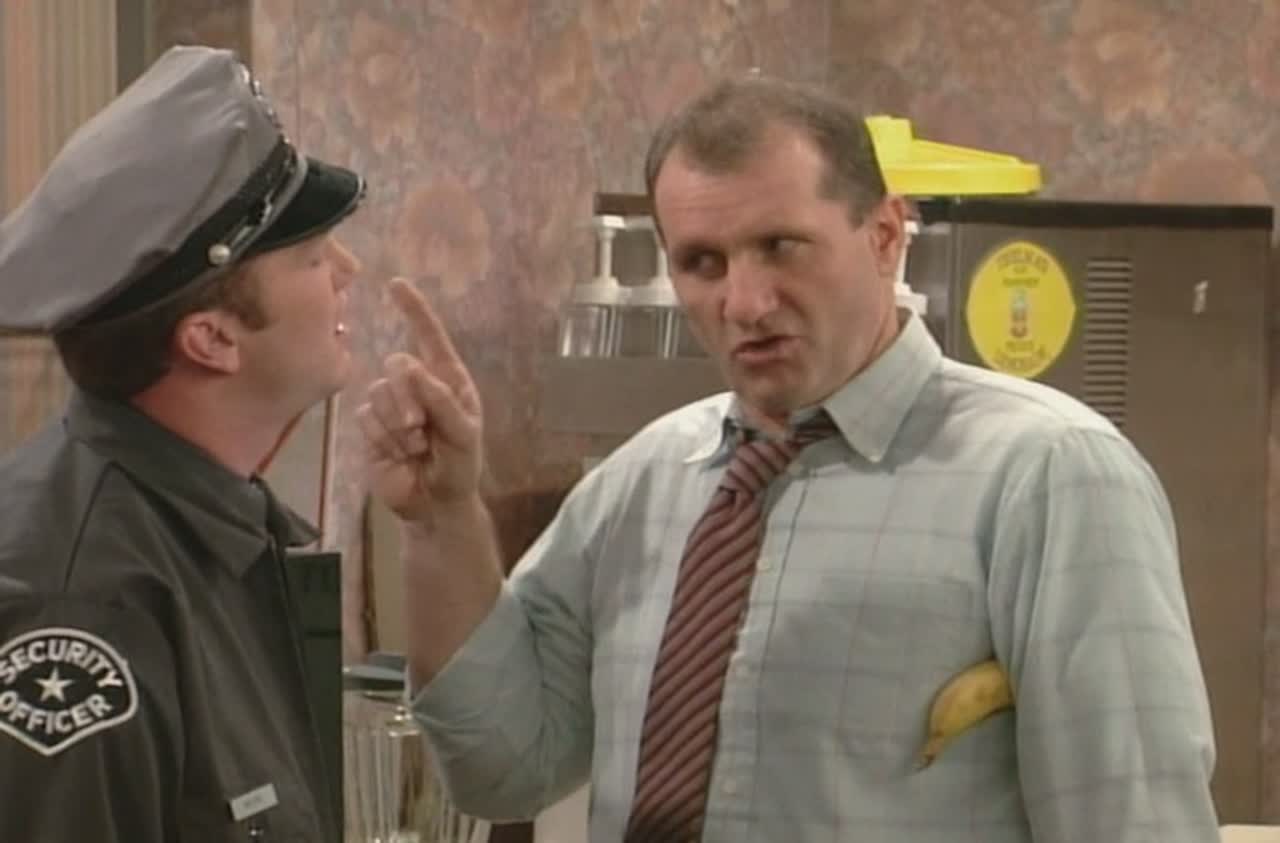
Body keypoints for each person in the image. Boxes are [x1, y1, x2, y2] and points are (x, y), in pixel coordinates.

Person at [359, 76, 1219, 841]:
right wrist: (441, 519)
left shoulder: (1047, 475)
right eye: (702, 263)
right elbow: (502, 768)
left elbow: (1131, 818)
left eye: (781, 246)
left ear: (886, 236)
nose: (744, 302)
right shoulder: (642, 483)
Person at [0, 45, 364, 841]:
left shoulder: (210, 524)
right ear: (212, 339)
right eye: (310, 257)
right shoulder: (88, 607)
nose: (348, 268)